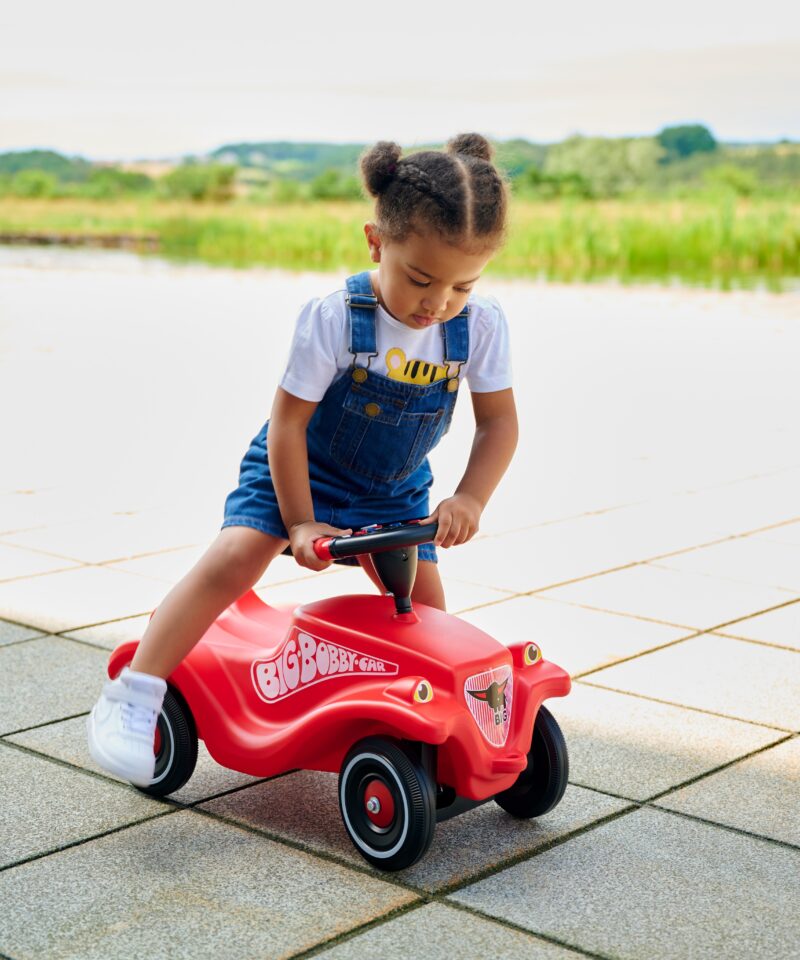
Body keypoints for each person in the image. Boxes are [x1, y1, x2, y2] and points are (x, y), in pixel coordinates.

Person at [87, 132, 519, 786]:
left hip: (394, 486)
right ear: (376, 242)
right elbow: (288, 425)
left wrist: (470, 498)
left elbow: (499, 425)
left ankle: (430, 722)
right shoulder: (335, 318)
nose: (437, 304)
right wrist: (299, 522)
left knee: (423, 607)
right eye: (419, 279)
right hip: (299, 468)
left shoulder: (478, 325)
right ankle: (135, 693)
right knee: (236, 556)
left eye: (463, 285)